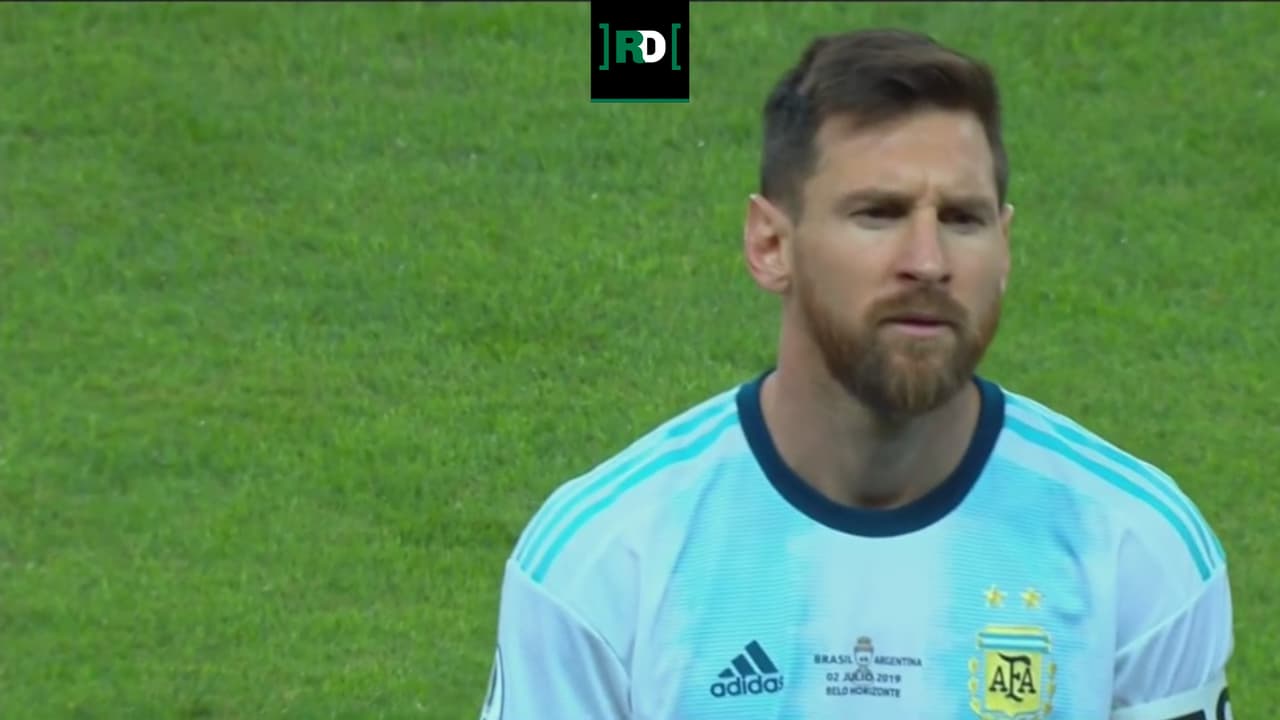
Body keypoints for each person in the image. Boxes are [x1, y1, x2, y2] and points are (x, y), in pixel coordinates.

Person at [480, 28, 1234, 720]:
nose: (928, 262)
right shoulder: (610, 559)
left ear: (1003, 249)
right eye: (879, 213)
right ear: (771, 246)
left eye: (962, 219)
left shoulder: (1135, 549)